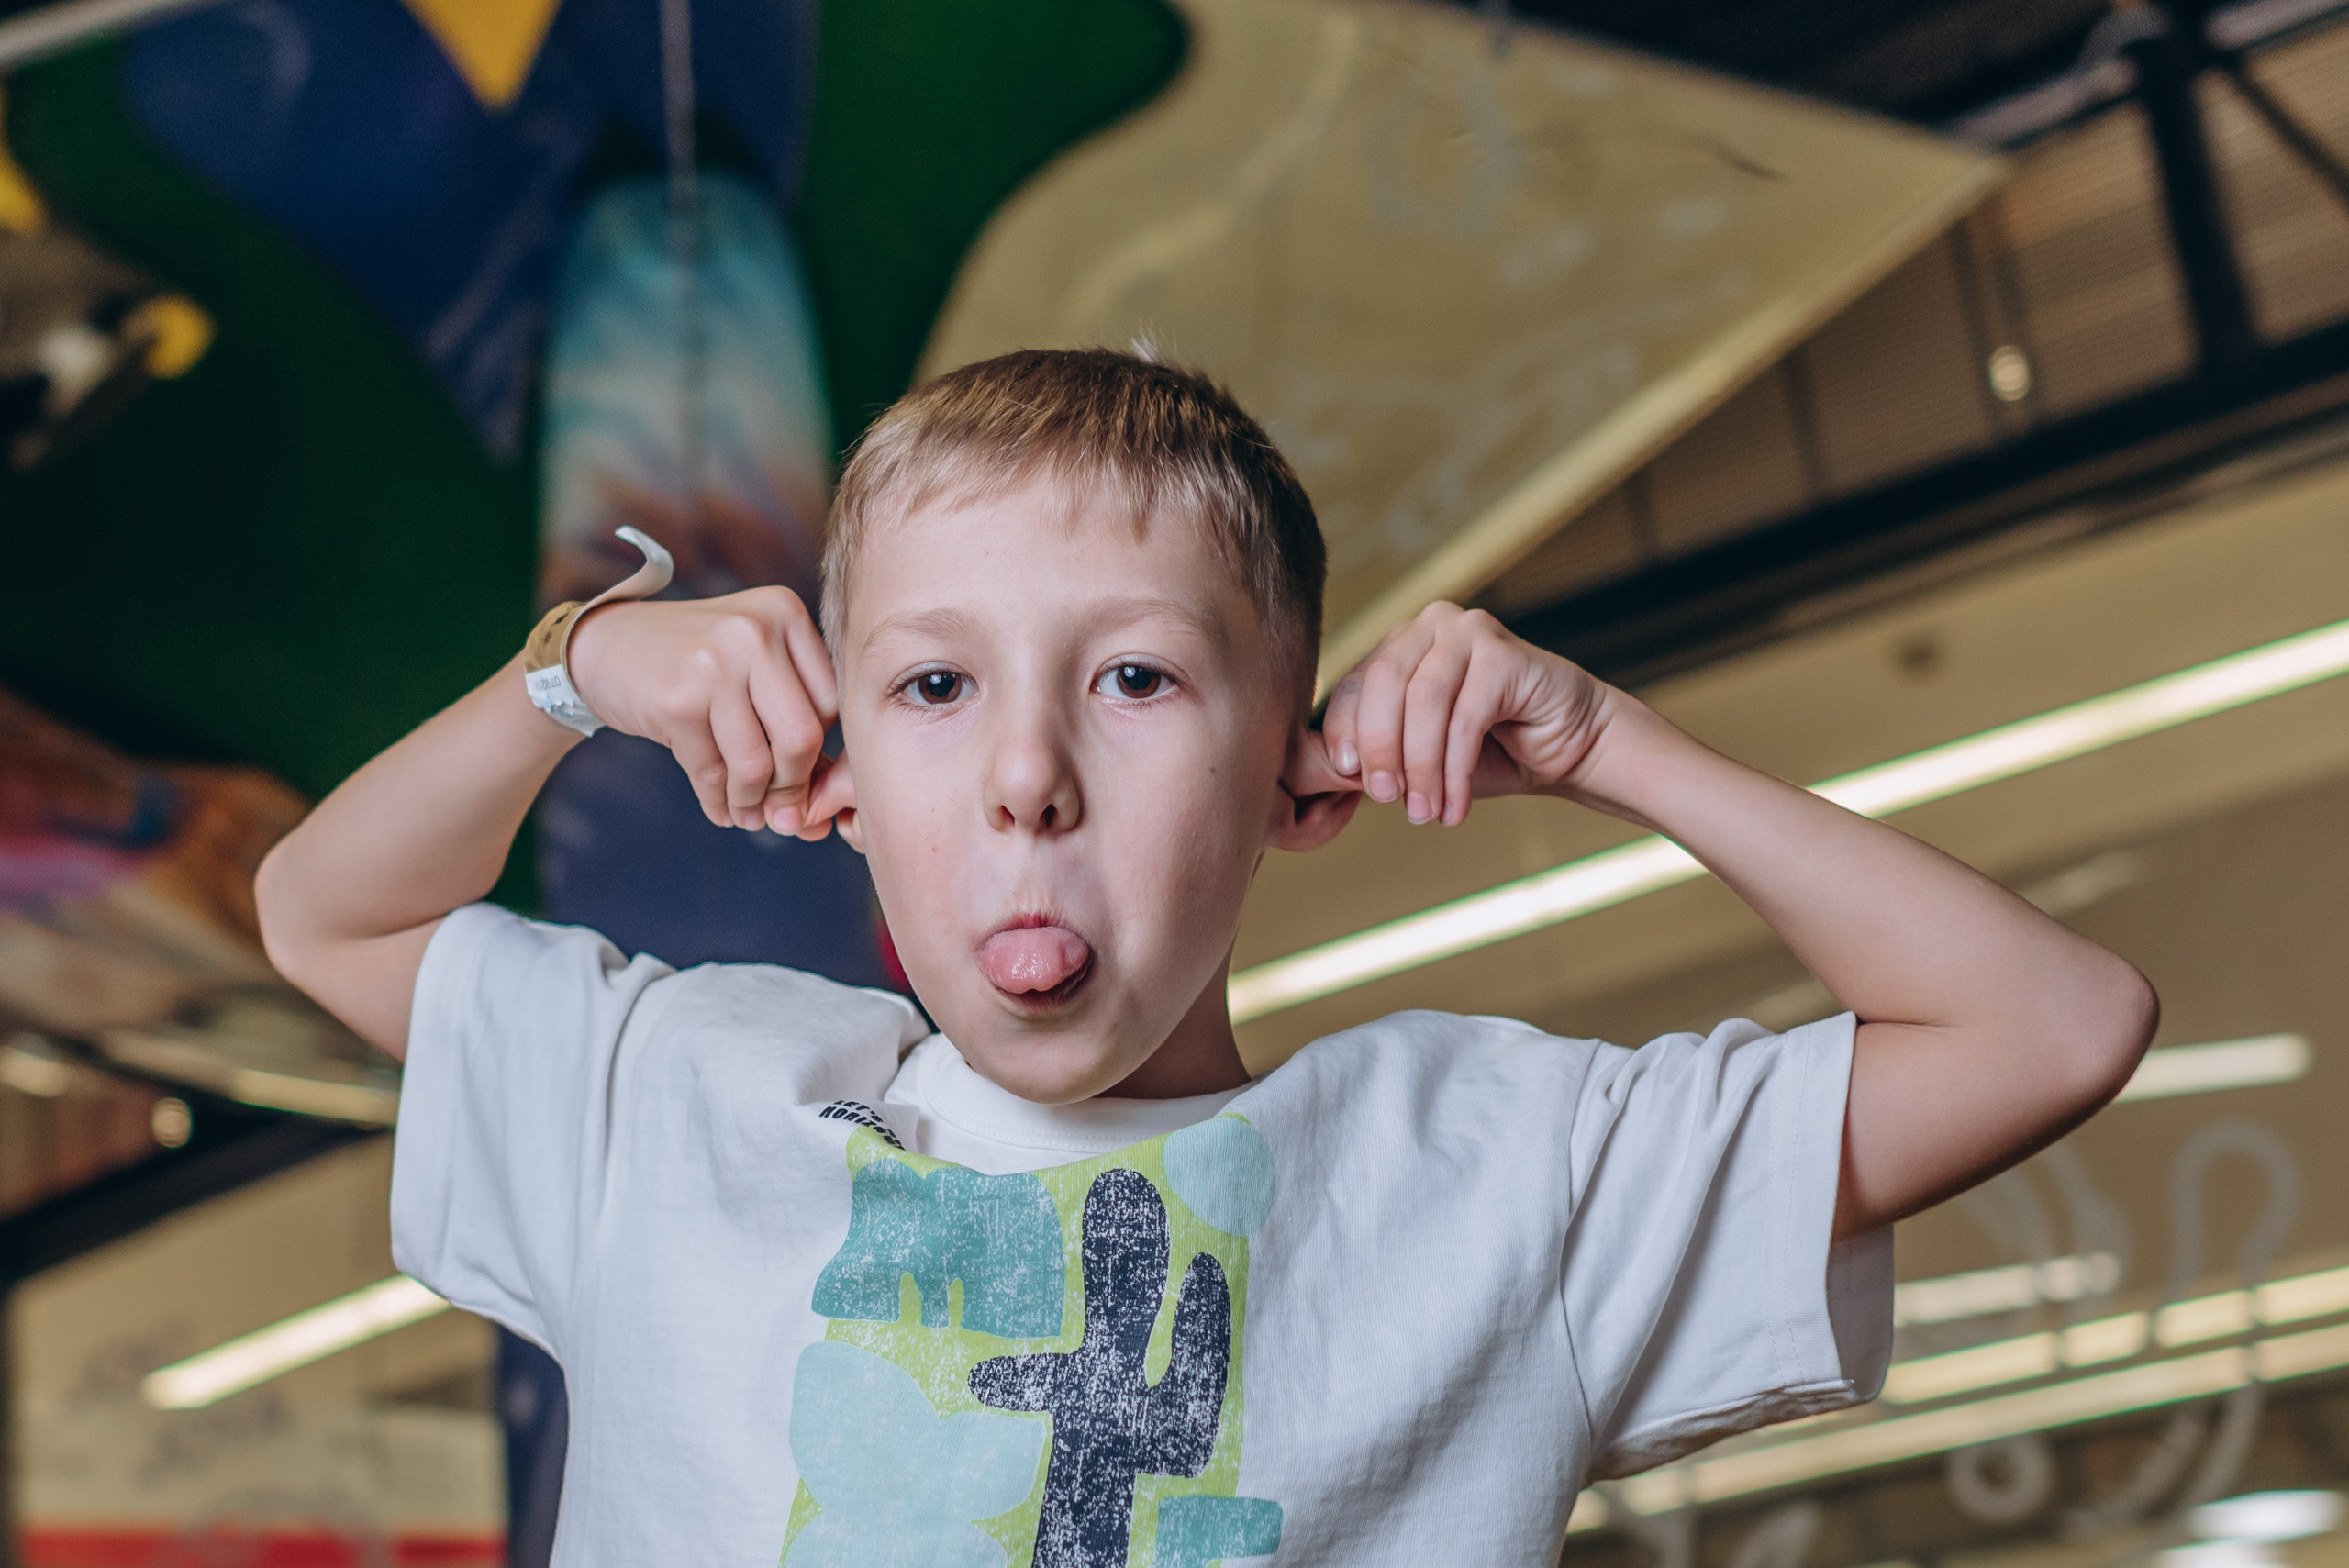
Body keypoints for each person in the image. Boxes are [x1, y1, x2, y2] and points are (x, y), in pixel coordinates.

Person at [256, 349, 2156, 1566]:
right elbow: (326, 911)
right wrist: (576, 672)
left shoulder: (1484, 1171)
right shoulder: (686, 1101)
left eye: (1137, 679)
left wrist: (1609, 747)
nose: (1026, 775)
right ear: (846, 782)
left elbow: (2054, 1022)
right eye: (934, 686)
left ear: (1289, 775)